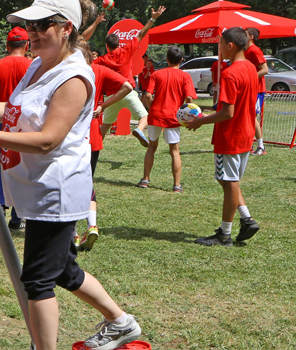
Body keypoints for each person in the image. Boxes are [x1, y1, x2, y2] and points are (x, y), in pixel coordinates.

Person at [0, 0, 141, 350]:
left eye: (41, 25)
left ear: (66, 27)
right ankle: (120, 322)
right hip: (37, 187)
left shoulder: (73, 77)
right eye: (28, 25)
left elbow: (48, 139)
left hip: (56, 189)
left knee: (37, 278)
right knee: (62, 269)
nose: (31, 33)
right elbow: (14, 110)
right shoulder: (38, 65)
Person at [186, 27, 261, 247]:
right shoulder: (249, 67)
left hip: (230, 136)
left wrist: (201, 120)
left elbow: (228, 112)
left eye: (220, 44)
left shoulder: (230, 73)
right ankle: (246, 219)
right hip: (245, 133)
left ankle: (224, 234)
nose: (218, 48)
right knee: (228, 180)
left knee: (229, 183)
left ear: (230, 45)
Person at [84, 6, 167, 146]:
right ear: (119, 43)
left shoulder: (101, 60)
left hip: (111, 97)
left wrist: (96, 23)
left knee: (105, 125)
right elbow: (141, 33)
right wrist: (153, 18)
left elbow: (84, 42)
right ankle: (139, 130)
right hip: (127, 93)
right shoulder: (126, 50)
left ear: (107, 45)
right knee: (145, 116)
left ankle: (94, 146)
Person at [77, 40, 132, 251]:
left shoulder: (67, 71)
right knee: (87, 180)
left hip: (72, 133)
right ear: (90, 55)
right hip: (92, 133)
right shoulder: (98, 70)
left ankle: (72, 233)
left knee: (69, 181)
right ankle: (92, 224)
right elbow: (127, 86)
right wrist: (102, 105)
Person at [0, 26, 33, 231]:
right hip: (27, 122)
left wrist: (2, 98)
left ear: (7, 45)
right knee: (26, 166)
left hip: (4, 121)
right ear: (27, 45)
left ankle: (2, 207)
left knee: (3, 166)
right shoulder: (34, 66)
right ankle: (19, 214)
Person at [139, 46, 196, 193]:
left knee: (152, 147)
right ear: (181, 60)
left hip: (156, 115)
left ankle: (145, 179)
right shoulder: (185, 76)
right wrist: (186, 113)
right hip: (173, 117)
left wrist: (151, 108)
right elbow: (189, 98)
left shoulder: (157, 74)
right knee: (174, 151)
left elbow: (148, 95)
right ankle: (177, 185)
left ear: (167, 59)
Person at [244, 27, 268, 155]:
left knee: (252, 116)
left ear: (251, 36)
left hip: (257, 89)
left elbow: (265, 69)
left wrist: (249, 79)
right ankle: (249, 144)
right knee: (247, 116)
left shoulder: (254, 50)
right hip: (249, 89)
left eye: (245, 33)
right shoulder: (245, 51)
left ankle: (261, 146)